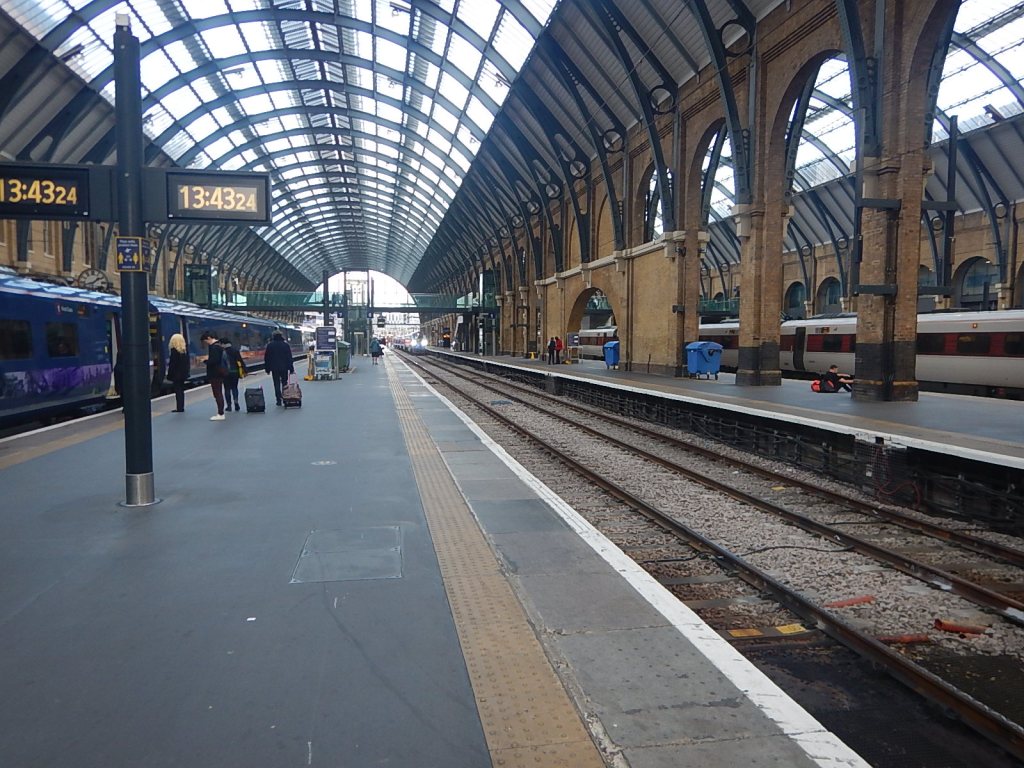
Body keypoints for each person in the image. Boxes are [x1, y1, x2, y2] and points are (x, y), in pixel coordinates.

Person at [200, 331, 227, 419]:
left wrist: (205, 361)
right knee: (218, 393)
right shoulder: (219, 345)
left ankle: (220, 414)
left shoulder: (214, 347)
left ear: (209, 338)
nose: (206, 343)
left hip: (215, 374)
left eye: (205, 341)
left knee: (217, 393)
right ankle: (221, 412)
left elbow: (214, 361)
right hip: (219, 372)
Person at [264, 331, 294, 406]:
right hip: (284, 368)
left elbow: (267, 358)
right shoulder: (285, 345)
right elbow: (289, 357)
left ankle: (278, 400)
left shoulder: (270, 345)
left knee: (276, 383)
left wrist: (267, 369)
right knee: (284, 383)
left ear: (273, 336)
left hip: (274, 369)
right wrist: (291, 368)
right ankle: (285, 398)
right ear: (281, 336)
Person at [166, 333, 189, 412]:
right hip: (182, 375)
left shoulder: (174, 352)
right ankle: (181, 406)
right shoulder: (183, 352)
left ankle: (179, 408)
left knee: (178, 391)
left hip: (176, 375)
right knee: (181, 391)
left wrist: (169, 375)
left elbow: (172, 365)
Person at [220, 338, 243, 412]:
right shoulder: (235, 350)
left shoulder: (222, 352)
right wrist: (245, 371)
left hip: (226, 373)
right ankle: (236, 402)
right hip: (235, 372)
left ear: (223, 344)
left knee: (227, 389)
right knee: (234, 388)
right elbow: (240, 361)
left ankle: (229, 406)